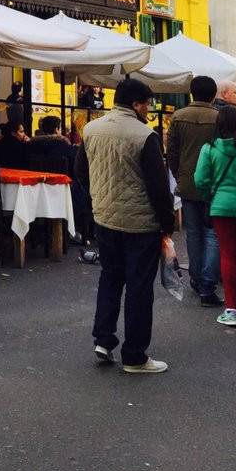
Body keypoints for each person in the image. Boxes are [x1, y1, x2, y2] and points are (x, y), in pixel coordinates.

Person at [75, 78, 175, 374]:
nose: (149, 110)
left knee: (110, 278)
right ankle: (134, 355)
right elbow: (159, 187)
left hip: (105, 218)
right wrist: (167, 223)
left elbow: (80, 170)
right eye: (147, 104)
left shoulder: (91, 129)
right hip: (140, 223)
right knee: (139, 288)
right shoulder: (145, 136)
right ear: (136, 104)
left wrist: (97, 197)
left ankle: (103, 339)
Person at [193, 104, 236, 327]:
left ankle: (231, 311)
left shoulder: (209, 149)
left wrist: (211, 196)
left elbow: (200, 179)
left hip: (221, 207)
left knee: (228, 256)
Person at [165, 74, 221, 306]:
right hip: (215, 183)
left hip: (188, 182)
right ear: (213, 95)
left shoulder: (178, 117)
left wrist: (179, 174)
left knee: (194, 233)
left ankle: (197, 280)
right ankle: (208, 285)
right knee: (213, 234)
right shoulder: (219, 117)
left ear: (191, 93)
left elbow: (172, 151)